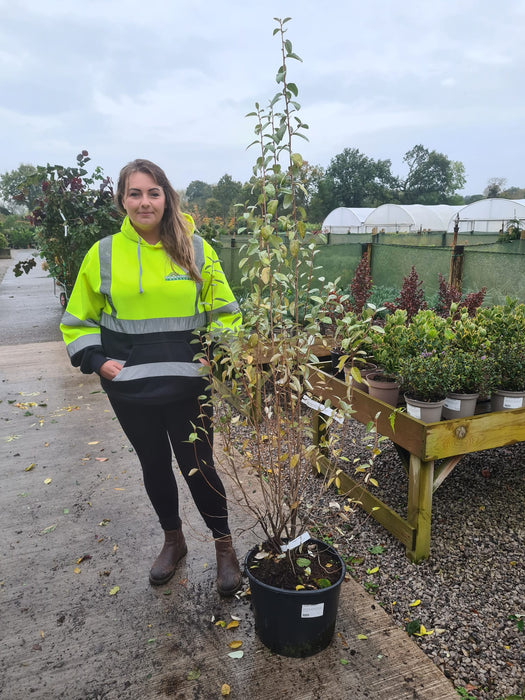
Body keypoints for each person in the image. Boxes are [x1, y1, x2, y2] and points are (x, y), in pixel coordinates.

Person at [60, 159, 242, 596]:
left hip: (188, 386)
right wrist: (96, 360)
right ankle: (173, 541)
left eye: (153, 192)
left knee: (199, 467)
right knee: (154, 464)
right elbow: (77, 319)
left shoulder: (196, 248)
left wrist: (218, 356)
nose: (145, 202)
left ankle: (224, 549)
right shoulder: (103, 253)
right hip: (130, 389)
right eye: (135, 193)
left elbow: (226, 313)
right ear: (122, 199)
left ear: (166, 197)